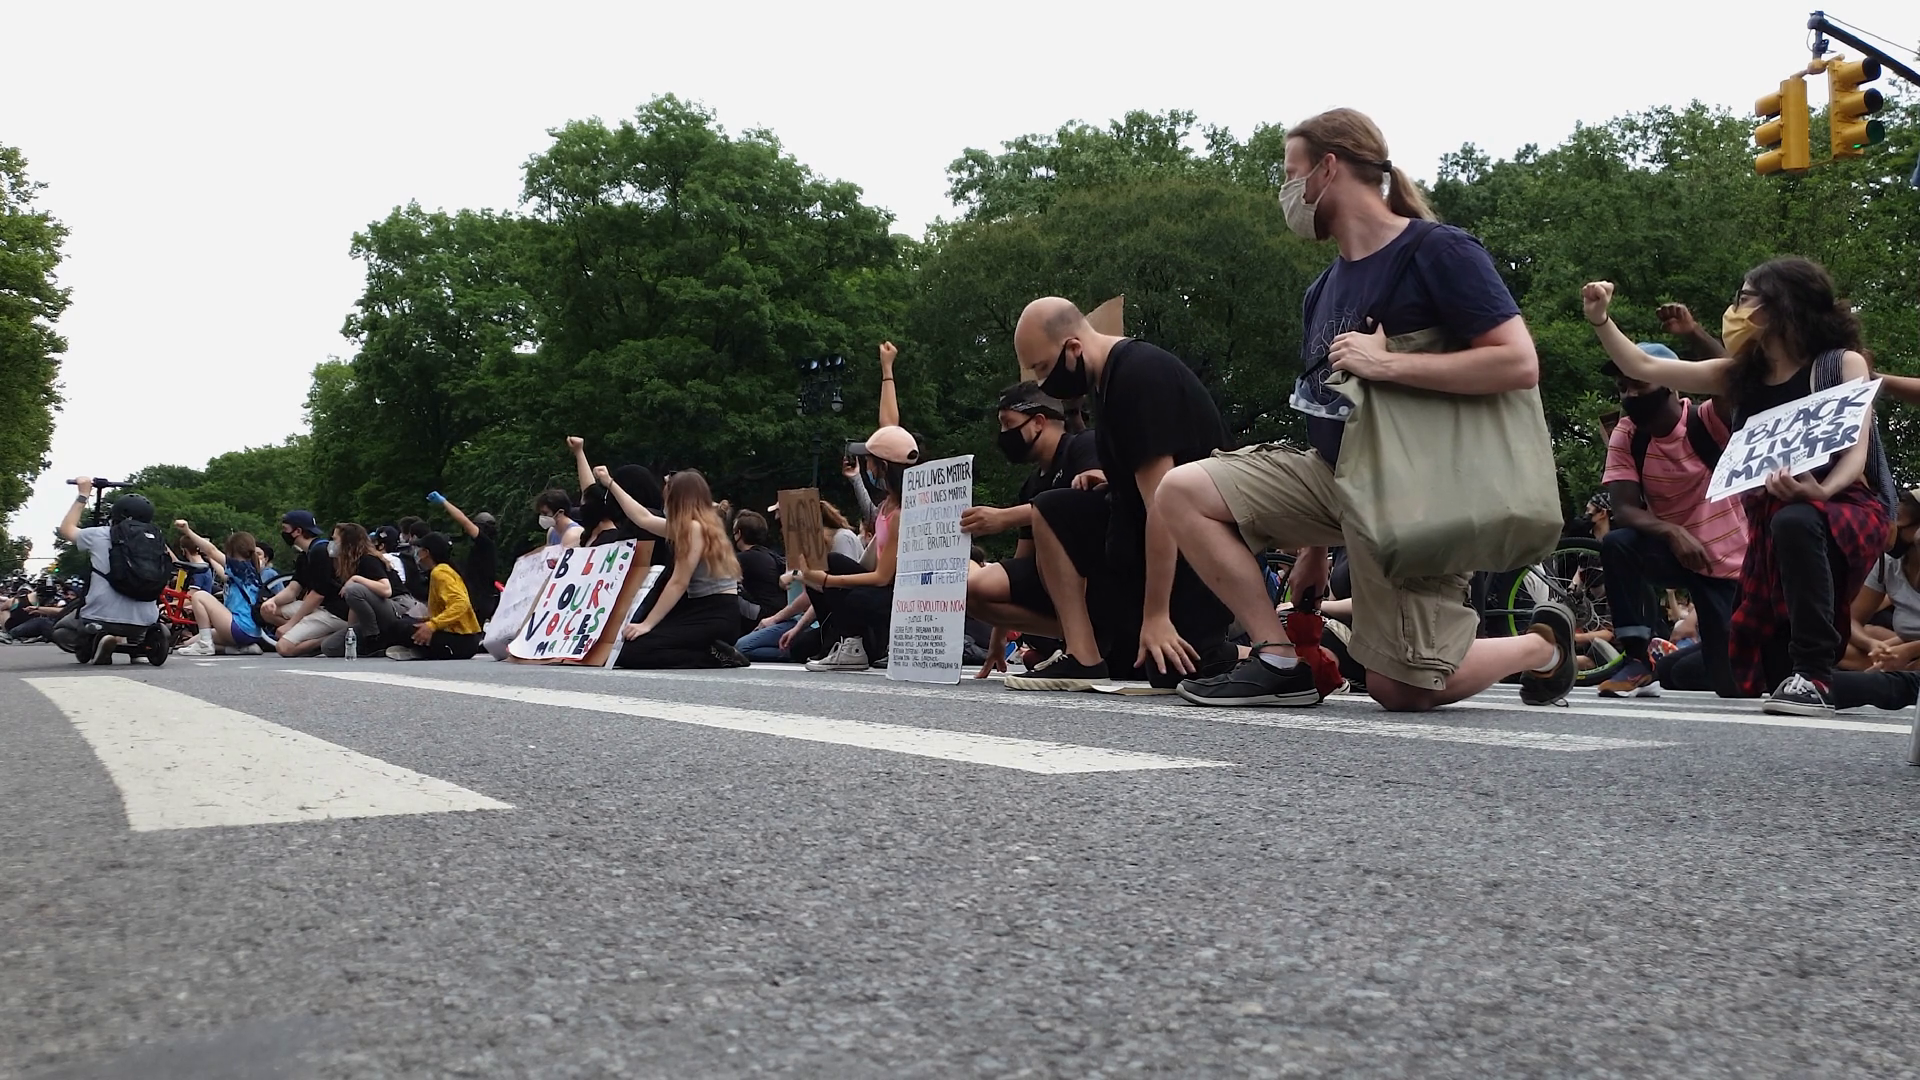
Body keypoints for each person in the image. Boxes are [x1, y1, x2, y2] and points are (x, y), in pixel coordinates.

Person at [1155, 108, 1576, 711]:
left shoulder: (1438, 250)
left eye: (1291, 173)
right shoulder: (1322, 289)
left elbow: (1517, 362)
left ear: (1328, 168)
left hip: (1415, 492)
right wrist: (1313, 551)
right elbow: (1328, 416)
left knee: (1400, 689)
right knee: (1181, 491)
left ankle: (1541, 645)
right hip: (1334, 477)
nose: (1287, 192)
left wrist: (1387, 364)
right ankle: (1277, 660)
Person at [1584, 257, 1892, 715]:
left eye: (1744, 298)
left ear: (1777, 305)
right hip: (1771, 524)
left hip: (1845, 505)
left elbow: (1856, 452)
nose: (1735, 309)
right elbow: (1641, 363)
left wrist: (1823, 491)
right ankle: (1890, 687)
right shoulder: (1739, 375)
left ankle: (1812, 671)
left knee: (1796, 518)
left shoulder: (1840, 364)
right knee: (1762, 678)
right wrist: (1600, 319)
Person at [998, 299, 1237, 692]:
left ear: (1073, 348)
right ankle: (1083, 656)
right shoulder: (1105, 384)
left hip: (1196, 549)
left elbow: (1163, 504)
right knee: (1052, 508)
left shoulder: (1137, 375)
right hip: (1140, 541)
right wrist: (1113, 480)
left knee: (1172, 672)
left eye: (1042, 368)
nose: (1041, 383)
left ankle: (1257, 653)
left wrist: (1156, 615)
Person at [1586, 331, 1746, 698]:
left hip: (1727, 563)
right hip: (1674, 553)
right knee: (1618, 543)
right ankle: (1637, 659)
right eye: (1623, 387)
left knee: (1729, 685)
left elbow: (1731, 376)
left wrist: (1694, 332)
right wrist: (1672, 532)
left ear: (1672, 384)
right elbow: (1624, 508)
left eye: (1639, 383)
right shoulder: (1628, 434)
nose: (1630, 394)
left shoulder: (1707, 419)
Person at [963, 381, 1099, 678]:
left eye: (1009, 424)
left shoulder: (1083, 445)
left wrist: (1005, 517)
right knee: (974, 592)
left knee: (1051, 505)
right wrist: (997, 640)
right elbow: (1020, 564)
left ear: (1039, 421)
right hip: (1054, 580)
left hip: (1101, 571)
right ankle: (1087, 636)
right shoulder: (1032, 484)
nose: (1004, 434)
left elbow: (1099, 493)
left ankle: (1088, 638)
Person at [598, 466, 752, 669]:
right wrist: (610, 483)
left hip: (713, 614)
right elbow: (643, 518)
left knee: (635, 652)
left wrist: (647, 624)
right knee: (632, 647)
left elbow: (679, 582)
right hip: (717, 611)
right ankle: (713, 650)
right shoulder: (703, 525)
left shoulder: (693, 529)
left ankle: (715, 655)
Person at [51, 478, 167, 663]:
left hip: (101, 616)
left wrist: (83, 495)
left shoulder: (100, 534)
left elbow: (66, 529)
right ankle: (138, 648)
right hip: (146, 620)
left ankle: (97, 641)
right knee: (137, 618)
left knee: (61, 630)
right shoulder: (157, 538)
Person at [1843, 489, 1920, 672]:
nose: (1890, 530)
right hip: (1907, 648)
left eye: (1899, 525)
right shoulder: (1888, 563)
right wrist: (1872, 645)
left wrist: (1908, 651)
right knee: (1834, 645)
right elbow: (1852, 620)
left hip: (1912, 653)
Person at [171, 521, 269, 656]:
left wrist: (188, 531)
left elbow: (212, 550)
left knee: (199, 596)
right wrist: (210, 558)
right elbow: (223, 574)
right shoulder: (248, 570)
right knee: (190, 643)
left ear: (231, 549)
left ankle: (205, 645)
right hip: (251, 632)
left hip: (240, 627)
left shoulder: (239, 566)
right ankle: (242, 649)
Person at [386, 532, 483, 661]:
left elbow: (461, 603)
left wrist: (432, 625)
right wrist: (427, 621)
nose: (417, 554)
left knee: (401, 628)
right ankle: (421, 649)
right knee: (406, 622)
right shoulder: (445, 570)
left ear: (426, 552)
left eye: (419, 550)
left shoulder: (439, 573)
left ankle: (423, 651)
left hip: (461, 641)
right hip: (466, 640)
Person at [259, 510, 343, 656]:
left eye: (285, 529)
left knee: (284, 648)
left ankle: (334, 638)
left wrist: (290, 625)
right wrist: (272, 601)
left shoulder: (321, 552)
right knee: (267, 610)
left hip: (334, 611)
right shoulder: (305, 555)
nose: (283, 533)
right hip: (318, 607)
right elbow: (293, 589)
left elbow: (318, 595)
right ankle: (304, 635)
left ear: (297, 531)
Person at [320, 523, 406, 658]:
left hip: (398, 606)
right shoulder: (353, 564)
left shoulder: (368, 559)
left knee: (354, 589)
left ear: (348, 541)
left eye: (335, 539)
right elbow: (355, 604)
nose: (332, 543)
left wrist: (356, 578)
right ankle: (380, 644)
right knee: (330, 647)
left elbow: (386, 590)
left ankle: (373, 638)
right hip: (379, 613)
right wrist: (350, 632)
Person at [430, 492, 500, 624]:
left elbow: (464, 522)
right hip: (479, 600)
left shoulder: (486, 544)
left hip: (478, 602)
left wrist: (444, 502)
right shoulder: (482, 548)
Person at [731, 510, 786, 627]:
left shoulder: (743, 558)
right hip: (779, 610)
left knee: (727, 592)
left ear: (738, 534)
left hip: (763, 613)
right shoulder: (769, 554)